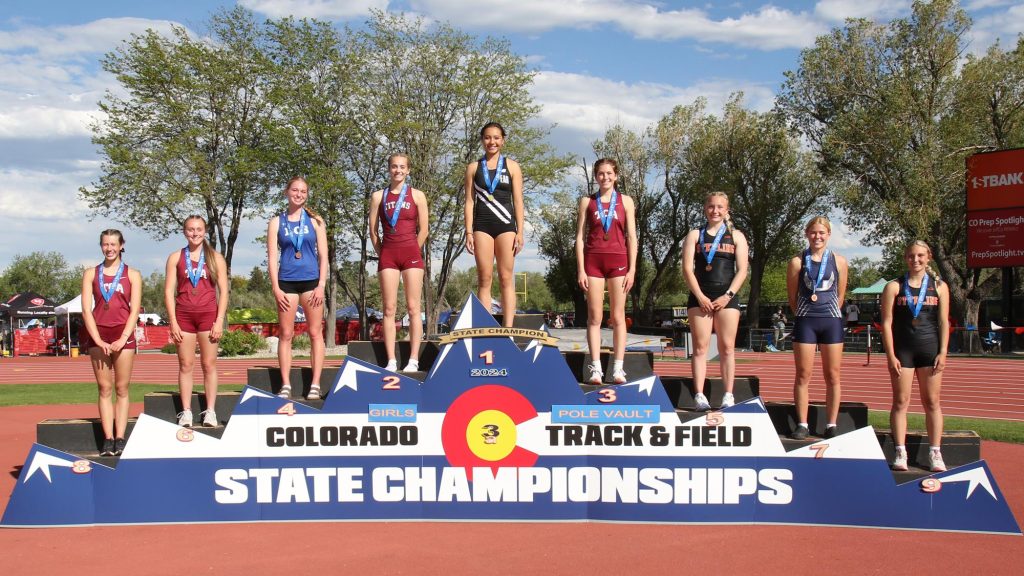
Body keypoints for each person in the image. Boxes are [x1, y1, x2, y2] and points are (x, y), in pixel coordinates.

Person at [881, 240, 950, 472]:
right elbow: (887, 323)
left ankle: (935, 452)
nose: (916, 260)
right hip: (903, 352)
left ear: (928, 257)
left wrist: (943, 352)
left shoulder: (940, 286)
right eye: (911, 256)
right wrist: (890, 355)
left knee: (932, 402)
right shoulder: (894, 287)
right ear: (905, 258)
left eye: (920, 255)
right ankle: (900, 451)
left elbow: (943, 322)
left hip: (930, 350)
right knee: (901, 402)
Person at [681, 191, 749, 409]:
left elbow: (742, 271)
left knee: (727, 347)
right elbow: (687, 269)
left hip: (727, 297)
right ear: (705, 209)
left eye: (720, 207)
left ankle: (728, 394)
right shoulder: (694, 235)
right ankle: (699, 395)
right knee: (700, 348)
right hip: (700, 296)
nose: (715, 211)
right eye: (711, 206)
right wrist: (700, 296)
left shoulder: (736, 236)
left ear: (726, 210)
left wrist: (727, 296)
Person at [80, 229, 143, 456]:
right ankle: (108, 439)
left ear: (121, 245)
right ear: (101, 246)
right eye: (105, 244)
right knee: (105, 388)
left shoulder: (132, 274)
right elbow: (86, 309)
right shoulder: (90, 274)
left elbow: (135, 309)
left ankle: (120, 437)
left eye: (113, 244)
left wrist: (124, 338)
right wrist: (97, 338)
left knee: (122, 388)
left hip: (123, 335)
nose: (109, 248)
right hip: (99, 335)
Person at [575, 158, 638, 385]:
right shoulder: (587, 202)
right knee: (595, 317)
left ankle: (618, 369)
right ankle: (595, 369)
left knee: (618, 317)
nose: (605, 177)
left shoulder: (626, 201)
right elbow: (580, 238)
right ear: (595, 176)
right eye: (601, 174)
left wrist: (632, 269)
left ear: (616, 175)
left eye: (609, 173)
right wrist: (581, 269)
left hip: (619, 261)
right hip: (593, 261)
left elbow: (632, 237)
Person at [164, 215, 230, 427]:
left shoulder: (215, 258)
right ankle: (186, 412)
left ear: (205, 230)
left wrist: (219, 320)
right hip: (183, 317)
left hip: (208, 316)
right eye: (191, 229)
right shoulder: (175, 257)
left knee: (209, 364)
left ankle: (210, 410)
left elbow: (224, 291)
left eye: (199, 229)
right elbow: (168, 292)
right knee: (185, 364)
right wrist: (172, 321)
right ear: (184, 232)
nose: (195, 233)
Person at [267, 177, 329, 400]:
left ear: (307, 194)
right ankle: (285, 384)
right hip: (286, 283)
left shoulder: (315, 221)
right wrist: (275, 287)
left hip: (312, 282)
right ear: (287, 192)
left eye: (303, 191)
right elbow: (273, 258)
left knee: (315, 333)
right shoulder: (276, 222)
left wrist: (322, 285)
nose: (299, 194)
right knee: (286, 334)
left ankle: (315, 384)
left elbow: (324, 256)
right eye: (295, 190)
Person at [787, 216, 848, 439]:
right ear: (807, 234)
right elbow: (792, 296)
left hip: (831, 320)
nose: (817, 237)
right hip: (806, 321)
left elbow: (840, 295)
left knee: (833, 375)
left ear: (828, 235)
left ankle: (831, 424)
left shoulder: (839, 261)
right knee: (803, 374)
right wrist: (803, 313)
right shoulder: (797, 262)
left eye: (822, 233)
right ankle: (802, 424)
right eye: (813, 232)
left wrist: (830, 312)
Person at [369, 153, 429, 372]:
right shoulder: (378, 196)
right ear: (389, 169)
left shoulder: (418, 195)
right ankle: (391, 360)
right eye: (394, 167)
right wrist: (382, 250)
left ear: (408, 170)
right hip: (389, 255)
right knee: (389, 308)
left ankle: (414, 359)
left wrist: (413, 247)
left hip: (411, 254)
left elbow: (424, 229)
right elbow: (373, 231)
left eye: (402, 167)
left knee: (414, 308)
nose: (398, 170)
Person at [465, 122, 524, 327]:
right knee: (485, 278)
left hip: (506, 226)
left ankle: (508, 329)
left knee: (506, 278)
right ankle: (486, 328)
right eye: (488, 137)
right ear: (482, 140)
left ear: (503, 140)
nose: (492, 141)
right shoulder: (473, 168)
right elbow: (469, 201)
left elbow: (518, 201)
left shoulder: (513, 166)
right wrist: (468, 232)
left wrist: (520, 232)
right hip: (482, 226)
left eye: (496, 137)